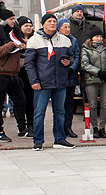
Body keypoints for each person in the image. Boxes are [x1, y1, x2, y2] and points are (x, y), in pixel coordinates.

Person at [24, 14, 78, 150]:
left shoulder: (65, 40)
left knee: (60, 112)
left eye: (54, 21)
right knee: (39, 112)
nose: (53, 23)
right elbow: (29, 64)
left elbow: (71, 56)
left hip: (60, 82)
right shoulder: (34, 40)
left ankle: (60, 139)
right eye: (49, 21)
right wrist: (34, 81)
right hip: (43, 83)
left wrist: (68, 62)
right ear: (43, 24)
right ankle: (38, 141)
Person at [0, 9, 28, 142]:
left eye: (14, 18)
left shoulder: (12, 33)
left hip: (12, 73)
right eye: (10, 19)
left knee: (21, 101)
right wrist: (12, 45)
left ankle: (22, 128)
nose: (13, 21)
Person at [80, 26, 106, 138]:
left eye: (100, 36)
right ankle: (94, 127)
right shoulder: (86, 48)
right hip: (91, 79)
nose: (99, 38)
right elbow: (84, 64)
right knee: (93, 104)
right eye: (96, 36)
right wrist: (98, 72)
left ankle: (102, 128)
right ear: (91, 38)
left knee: (105, 105)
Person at [57, 18, 81, 138]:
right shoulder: (55, 39)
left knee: (70, 104)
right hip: (59, 75)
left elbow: (76, 55)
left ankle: (68, 127)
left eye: (68, 27)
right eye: (64, 27)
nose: (67, 29)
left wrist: (72, 68)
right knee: (59, 105)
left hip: (71, 76)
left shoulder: (73, 40)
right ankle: (59, 128)